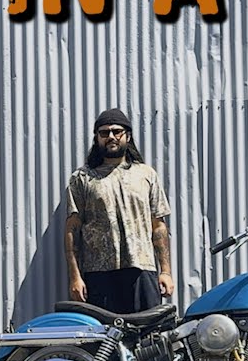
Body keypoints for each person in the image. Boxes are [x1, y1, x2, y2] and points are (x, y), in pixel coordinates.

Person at [65, 108, 175, 315]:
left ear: (128, 136)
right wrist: (75, 276)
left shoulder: (145, 174)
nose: (111, 137)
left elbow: (158, 225)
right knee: (103, 341)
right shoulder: (82, 178)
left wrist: (166, 271)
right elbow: (72, 229)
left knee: (148, 339)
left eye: (117, 131)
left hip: (142, 269)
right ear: (96, 138)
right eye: (104, 133)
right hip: (99, 274)